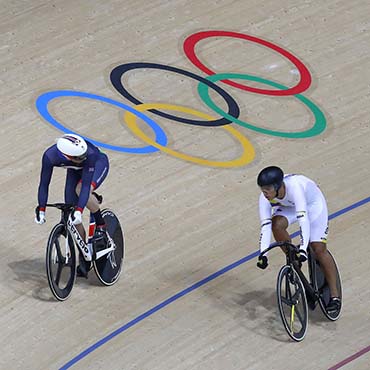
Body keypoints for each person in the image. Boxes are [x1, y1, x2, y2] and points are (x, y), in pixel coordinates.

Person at [256, 166, 341, 314]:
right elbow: (265, 226)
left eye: (268, 189)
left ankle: (335, 296)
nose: (265, 192)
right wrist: (263, 254)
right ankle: (292, 257)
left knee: (318, 248)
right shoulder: (264, 197)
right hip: (289, 207)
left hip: (311, 206)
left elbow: (303, 220)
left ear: (277, 186)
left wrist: (303, 248)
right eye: (262, 189)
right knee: (276, 224)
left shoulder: (295, 187)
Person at [35, 133, 109, 278]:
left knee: (81, 191)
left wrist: (80, 210)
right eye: (79, 157)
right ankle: (84, 256)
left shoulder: (90, 155)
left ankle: (101, 225)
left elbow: (86, 185)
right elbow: (44, 184)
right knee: (70, 211)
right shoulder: (50, 156)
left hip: (97, 164)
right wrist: (41, 208)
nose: (83, 157)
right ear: (66, 156)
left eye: (83, 155)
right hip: (74, 170)